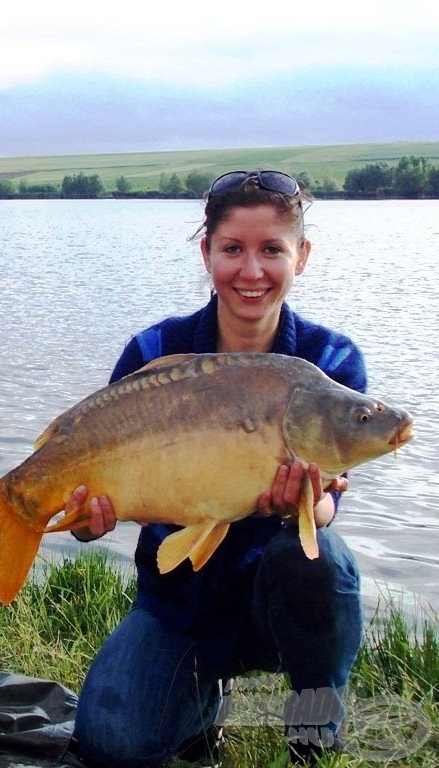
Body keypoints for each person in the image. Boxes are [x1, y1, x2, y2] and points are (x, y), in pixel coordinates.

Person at [68, 171, 365, 766]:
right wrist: (84, 520)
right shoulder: (153, 352)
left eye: (271, 250)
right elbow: (96, 490)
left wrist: (305, 505)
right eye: (233, 249)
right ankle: (200, 708)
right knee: (110, 747)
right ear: (207, 252)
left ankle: (312, 735)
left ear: (300, 257)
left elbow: (327, 503)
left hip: (276, 596)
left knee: (317, 559)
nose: (251, 272)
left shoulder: (330, 363)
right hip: (179, 597)